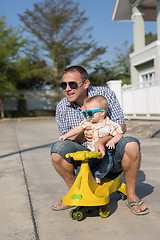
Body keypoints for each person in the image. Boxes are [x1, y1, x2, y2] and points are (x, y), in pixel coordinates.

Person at [51, 65, 149, 215]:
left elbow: (121, 126)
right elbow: (67, 140)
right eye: (63, 85)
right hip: (85, 155)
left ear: (86, 83)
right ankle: (75, 195)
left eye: (72, 84)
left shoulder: (104, 94)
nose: (67, 89)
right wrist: (84, 134)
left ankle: (131, 195)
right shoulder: (62, 107)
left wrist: (102, 140)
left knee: (131, 144)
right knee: (57, 151)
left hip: (110, 153)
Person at [59, 95, 123, 183]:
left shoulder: (110, 125)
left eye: (90, 113)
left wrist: (112, 141)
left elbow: (119, 134)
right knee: (82, 167)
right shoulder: (89, 123)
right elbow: (78, 128)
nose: (87, 116)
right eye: (85, 113)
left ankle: (97, 175)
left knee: (106, 164)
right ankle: (78, 183)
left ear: (102, 113)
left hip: (105, 152)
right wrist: (66, 135)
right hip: (91, 152)